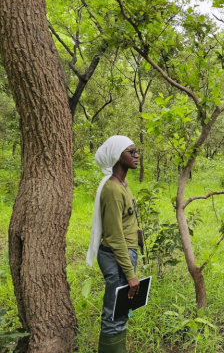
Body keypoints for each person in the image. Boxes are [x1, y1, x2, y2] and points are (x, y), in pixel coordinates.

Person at [86, 135, 141, 353]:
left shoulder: (122, 184)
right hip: (119, 258)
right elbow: (115, 236)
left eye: (136, 151)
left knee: (121, 313)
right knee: (114, 315)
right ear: (118, 157)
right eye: (131, 152)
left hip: (124, 256)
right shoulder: (112, 190)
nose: (136, 156)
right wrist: (130, 274)